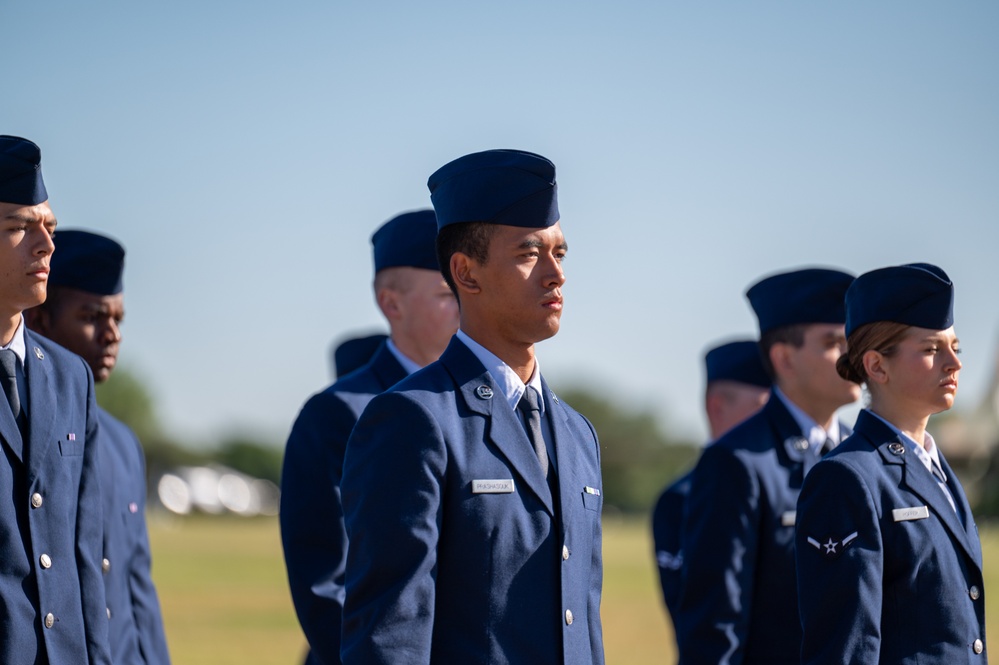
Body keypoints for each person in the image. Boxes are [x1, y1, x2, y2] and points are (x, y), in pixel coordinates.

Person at [340, 149, 604, 664]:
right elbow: (389, 635)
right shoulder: (415, 419)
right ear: (466, 272)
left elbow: (581, 627)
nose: (556, 275)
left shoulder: (576, 433)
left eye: (561, 253)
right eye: (530, 253)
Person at [280, 209, 458, 665]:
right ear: (391, 304)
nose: (462, 305)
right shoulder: (340, 413)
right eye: (445, 293)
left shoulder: (477, 402)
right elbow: (326, 583)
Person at [796, 263, 986, 663]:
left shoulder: (937, 470)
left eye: (956, 347)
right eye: (932, 350)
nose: (954, 363)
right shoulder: (847, 477)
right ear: (877, 366)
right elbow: (844, 649)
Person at [675, 268, 860, 665]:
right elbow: (715, 629)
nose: (853, 357)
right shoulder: (737, 462)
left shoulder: (866, 455)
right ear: (784, 358)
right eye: (833, 342)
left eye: (853, 341)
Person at [26, 229, 172, 665]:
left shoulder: (125, 444)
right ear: (40, 319)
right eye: (92, 316)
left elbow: (137, 590)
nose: (112, 335)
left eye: (118, 319)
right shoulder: (19, 429)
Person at [0, 136, 111, 664]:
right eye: (20, 227)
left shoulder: (71, 377)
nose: (45, 246)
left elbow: (83, 558)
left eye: (50, 226)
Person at [651, 339, 770, 627]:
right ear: (717, 407)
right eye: (764, 406)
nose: (774, 420)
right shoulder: (681, 498)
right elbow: (698, 618)